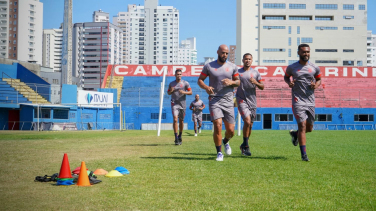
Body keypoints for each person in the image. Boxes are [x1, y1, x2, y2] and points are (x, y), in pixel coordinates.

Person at [197, 44, 240, 161]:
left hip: (228, 100)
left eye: (226, 53)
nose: (225, 55)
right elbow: (200, 80)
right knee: (217, 125)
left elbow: (238, 82)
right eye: (223, 53)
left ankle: (226, 141)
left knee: (231, 131)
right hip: (214, 99)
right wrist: (206, 87)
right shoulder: (209, 66)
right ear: (218, 52)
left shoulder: (232, 67)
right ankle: (219, 153)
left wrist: (231, 82)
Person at [284, 44, 321, 161]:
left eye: (308, 52)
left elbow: (319, 79)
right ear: (298, 53)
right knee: (302, 126)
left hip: (310, 101)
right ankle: (304, 155)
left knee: (309, 128)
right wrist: (289, 83)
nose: (306, 54)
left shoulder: (314, 67)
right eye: (304, 52)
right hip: (298, 100)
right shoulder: (292, 67)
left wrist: (316, 85)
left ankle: (295, 135)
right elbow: (286, 77)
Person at [236, 53, 264, 156]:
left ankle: (244, 144)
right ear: (243, 60)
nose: (247, 60)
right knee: (247, 121)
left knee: (250, 125)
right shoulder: (238, 72)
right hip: (241, 100)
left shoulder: (255, 73)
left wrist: (256, 82)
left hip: (252, 101)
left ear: (252, 61)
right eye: (246, 59)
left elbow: (262, 86)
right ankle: (247, 147)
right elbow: (233, 82)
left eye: (249, 59)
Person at [167, 69, 192, 145]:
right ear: (175, 75)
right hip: (174, 103)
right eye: (178, 74)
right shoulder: (171, 83)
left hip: (182, 104)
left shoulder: (185, 83)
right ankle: (176, 138)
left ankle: (180, 135)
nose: (179, 76)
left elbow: (190, 92)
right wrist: (171, 91)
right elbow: (168, 92)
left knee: (181, 121)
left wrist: (184, 92)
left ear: (182, 75)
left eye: (180, 74)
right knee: (175, 119)